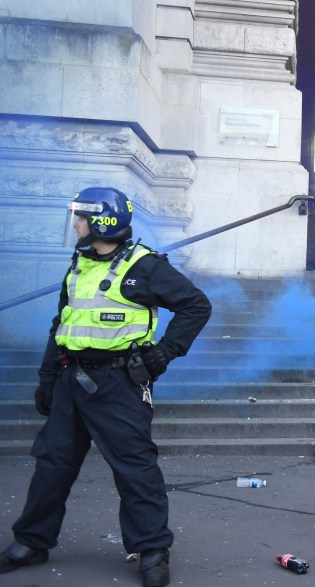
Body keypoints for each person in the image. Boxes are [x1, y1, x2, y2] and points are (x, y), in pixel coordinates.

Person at [0, 187, 212, 587]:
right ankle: (31, 542)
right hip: (70, 378)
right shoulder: (79, 264)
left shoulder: (145, 266)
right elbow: (61, 324)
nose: (75, 224)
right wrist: (48, 378)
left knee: (134, 468)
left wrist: (165, 352)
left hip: (118, 383)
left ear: (102, 221)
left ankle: (152, 550)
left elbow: (196, 305)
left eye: (80, 217)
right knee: (52, 464)